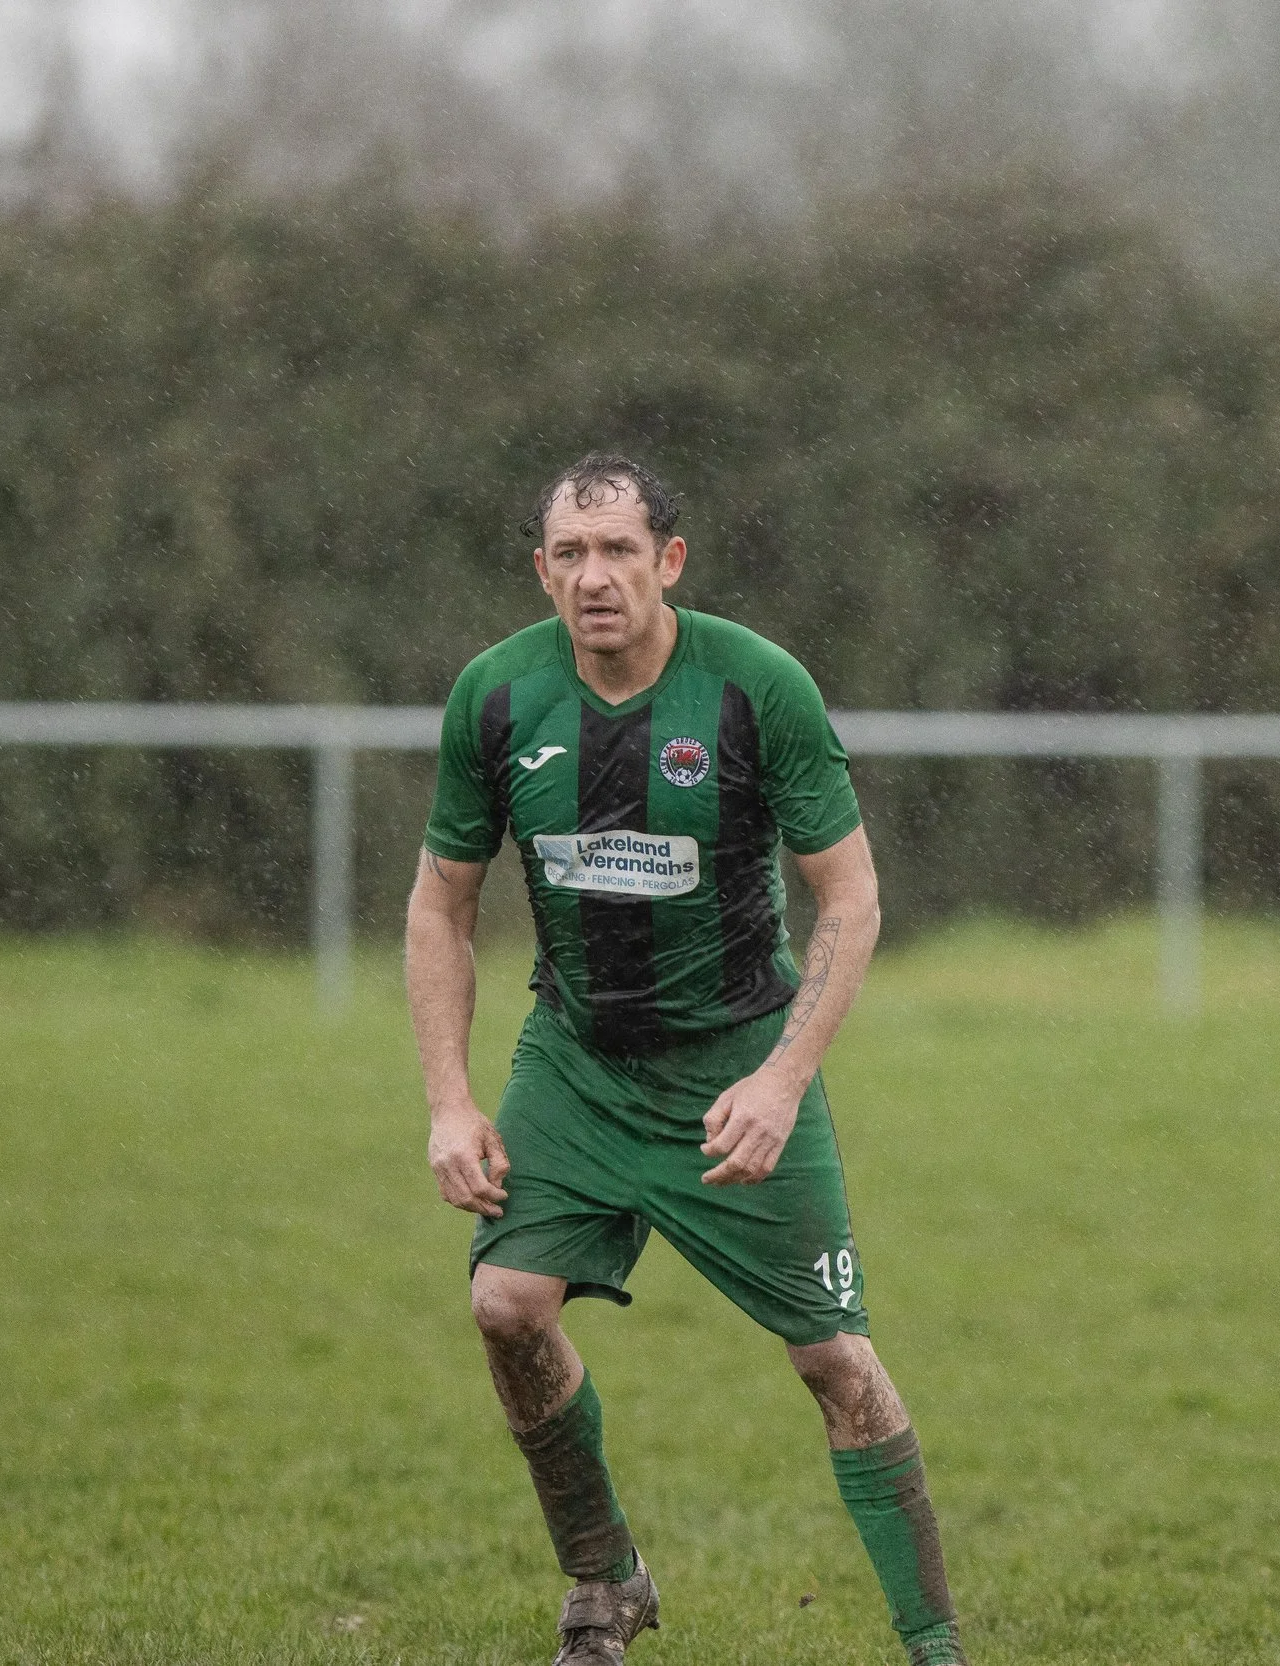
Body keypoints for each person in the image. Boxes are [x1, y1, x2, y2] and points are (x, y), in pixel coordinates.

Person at [406, 454, 966, 1666]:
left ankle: (937, 1648)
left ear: (669, 561)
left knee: (833, 1361)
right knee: (505, 1303)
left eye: (618, 551)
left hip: (738, 1059)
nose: (594, 577)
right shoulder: (495, 697)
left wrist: (780, 1079)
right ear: (541, 569)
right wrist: (450, 1102)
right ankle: (604, 1587)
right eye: (570, 553)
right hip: (576, 1059)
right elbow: (440, 907)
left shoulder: (757, 688)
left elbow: (852, 900)